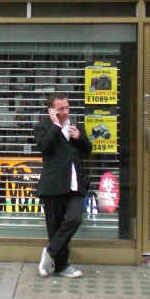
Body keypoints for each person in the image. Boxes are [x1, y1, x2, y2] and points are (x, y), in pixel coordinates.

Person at [33, 92, 92, 279]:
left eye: (67, 107)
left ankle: (50, 252)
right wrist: (56, 126)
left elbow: (88, 150)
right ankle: (61, 266)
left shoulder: (75, 126)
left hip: (75, 185)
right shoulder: (42, 127)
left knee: (75, 218)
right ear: (52, 110)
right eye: (61, 109)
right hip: (53, 185)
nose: (65, 112)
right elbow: (44, 146)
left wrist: (80, 138)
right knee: (55, 226)